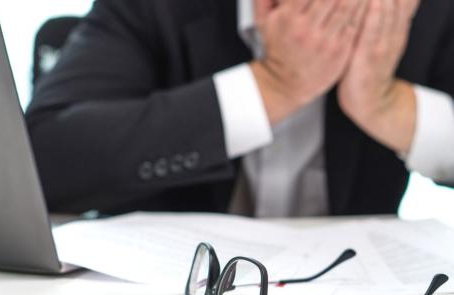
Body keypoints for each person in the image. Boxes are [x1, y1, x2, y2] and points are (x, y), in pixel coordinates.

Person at [26, 0, 454, 216]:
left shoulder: (422, 12)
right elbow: (40, 162)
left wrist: (388, 106)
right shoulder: (158, 7)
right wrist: (270, 85)